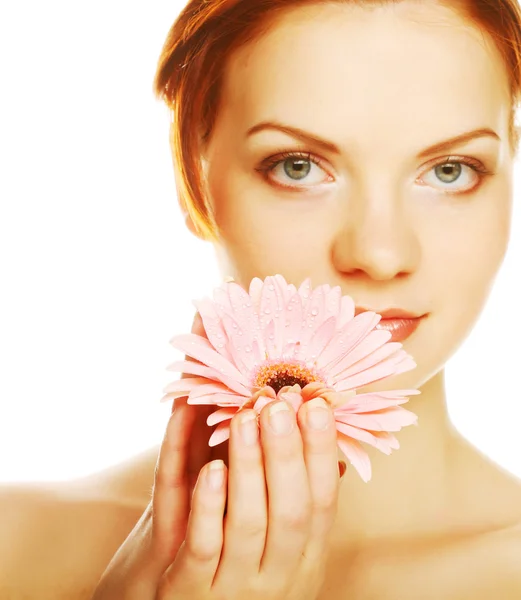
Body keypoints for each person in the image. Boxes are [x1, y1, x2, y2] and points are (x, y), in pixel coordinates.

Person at [2, 0, 521, 598]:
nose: (379, 254)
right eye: (298, 167)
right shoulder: (13, 544)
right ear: (193, 178)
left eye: (451, 170)